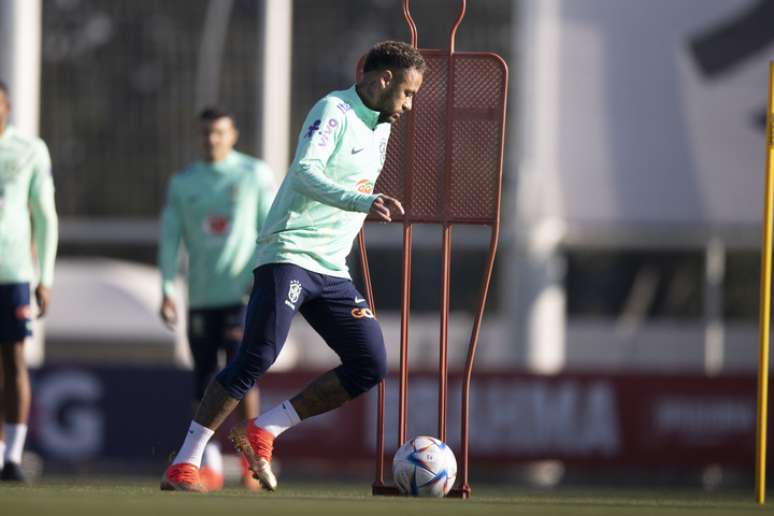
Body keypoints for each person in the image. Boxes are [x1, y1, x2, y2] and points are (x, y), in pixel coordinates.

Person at [161, 40, 426, 493]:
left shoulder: (382, 127)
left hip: (332, 268)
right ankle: (184, 463)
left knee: (370, 363)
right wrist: (362, 201)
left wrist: (355, 212)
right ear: (384, 79)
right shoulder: (333, 110)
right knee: (257, 357)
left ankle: (265, 429)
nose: (408, 103)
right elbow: (305, 171)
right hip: (288, 254)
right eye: (407, 92)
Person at [158, 107, 275, 491]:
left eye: (219, 132)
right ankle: (205, 464)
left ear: (233, 134)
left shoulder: (253, 174)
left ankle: (251, 463)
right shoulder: (184, 183)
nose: (212, 139)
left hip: (242, 294)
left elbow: (269, 228)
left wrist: (265, 280)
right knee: (203, 381)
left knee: (243, 377)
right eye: (206, 132)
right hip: (201, 298)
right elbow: (171, 238)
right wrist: (166, 288)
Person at [0, 80, 58, 482]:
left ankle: (14, 455)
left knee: (14, 359)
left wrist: (45, 277)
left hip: (14, 273)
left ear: (7, 106)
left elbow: (45, 215)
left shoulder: (29, 149)